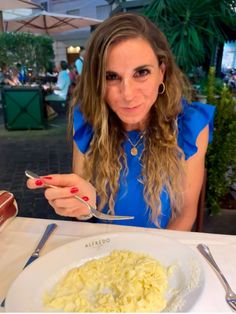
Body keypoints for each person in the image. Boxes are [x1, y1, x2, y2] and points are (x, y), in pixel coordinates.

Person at [27, 13, 215, 231]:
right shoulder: (89, 121)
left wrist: (152, 261)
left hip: (161, 254)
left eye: (142, 72)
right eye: (111, 77)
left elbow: (185, 213)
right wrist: (79, 205)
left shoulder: (190, 126)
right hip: (102, 250)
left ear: (161, 73)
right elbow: (85, 210)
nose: (128, 94)